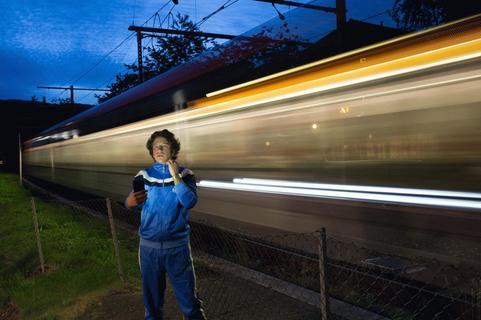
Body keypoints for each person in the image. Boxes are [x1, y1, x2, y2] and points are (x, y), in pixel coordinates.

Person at [125, 129, 206, 320]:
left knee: (190, 304)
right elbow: (134, 205)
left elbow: (189, 202)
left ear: (173, 149)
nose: (159, 149)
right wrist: (130, 201)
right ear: (151, 151)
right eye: (155, 147)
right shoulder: (143, 176)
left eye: (164, 146)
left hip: (177, 249)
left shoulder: (185, 174)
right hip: (149, 250)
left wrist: (175, 176)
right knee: (152, 306)